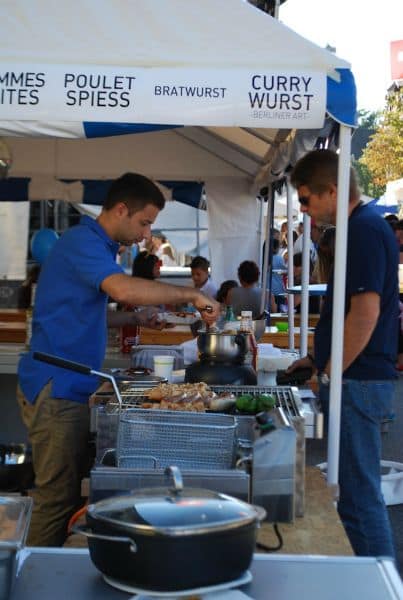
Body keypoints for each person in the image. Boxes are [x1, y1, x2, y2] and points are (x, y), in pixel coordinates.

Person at [17, 172, 220, 547]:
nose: (146, 235)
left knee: (68, 495)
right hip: (57, 386)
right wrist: (191, 296)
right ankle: (32, 572)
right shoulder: (83, 242)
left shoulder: (96, 246)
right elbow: (123, 289)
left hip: (70, 385)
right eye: (144, 223)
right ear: (121, 210)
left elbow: (86, 312)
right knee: (56, 499)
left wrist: (132, 319)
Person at [287, 149, 398, 559]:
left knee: (360, 498)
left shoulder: (364, 229)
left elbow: (364, 315)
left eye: (306, 199)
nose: (303, 209)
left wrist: (329, 373)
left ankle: (380, 580)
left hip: (359, 381)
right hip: (357, 378)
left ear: (332, 191)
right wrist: (317, 361)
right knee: (354, 497)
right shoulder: (360, 227)